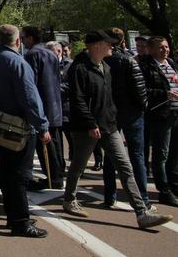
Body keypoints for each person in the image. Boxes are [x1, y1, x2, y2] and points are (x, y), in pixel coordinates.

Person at [62, 30, 172, 229]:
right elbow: (77, 100)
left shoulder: (105, 66)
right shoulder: (79, 68)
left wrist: (112, 120)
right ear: (96, 46)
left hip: (109, 126)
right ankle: (69, 199)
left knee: (125, 167)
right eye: (108, 43)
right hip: (87, 129)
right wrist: (90, 124)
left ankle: (141, 213)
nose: (112, 46)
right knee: (78, 166)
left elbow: (109, 98)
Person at [0, 25, 50, 238]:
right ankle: (20, 221)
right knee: (19, 176)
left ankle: (14, 216)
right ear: (18, 41)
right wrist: (42, 125)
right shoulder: (18, 62)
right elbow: (30, 98)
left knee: (9, 174)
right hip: (19, 126)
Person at [102, 28, 151, 209]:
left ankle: (109, 195)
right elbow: (140, 89)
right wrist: (143, 106)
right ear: (123, 41)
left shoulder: (103, 60)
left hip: (110, 111)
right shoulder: (128, 60)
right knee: (137, 155)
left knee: (111, 154)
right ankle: (143, 198)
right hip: (131, 112)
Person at [22, 26, 64, 190]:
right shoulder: (51, 53)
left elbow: (31, 82)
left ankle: (53, 177)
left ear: (31, 38)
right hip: (54, 103)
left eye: (24, 37)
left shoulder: (32, 54)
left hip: (42, 104)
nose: (23, 41)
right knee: (55, 142)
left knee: (46, 143)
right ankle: (57, 174)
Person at [139, 35, 178, 206]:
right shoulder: (146, 66)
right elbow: (143, 90)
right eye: (161, 47)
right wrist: (164, 94)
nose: (165, 50)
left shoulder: (171, 64)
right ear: (151, 49)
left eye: (166, 46)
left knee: (175, 153)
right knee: (161, 153)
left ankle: (174, 184)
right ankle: (163, 190)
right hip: (160, 115)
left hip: (175, 113)